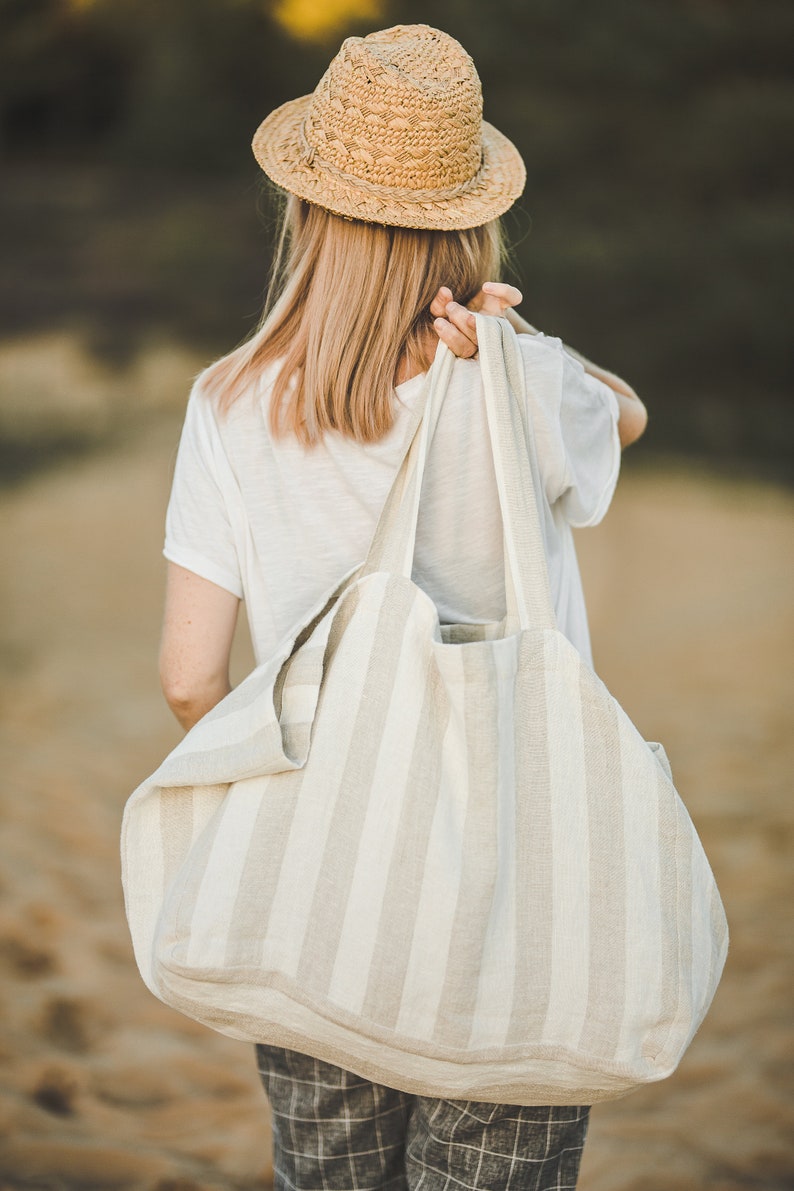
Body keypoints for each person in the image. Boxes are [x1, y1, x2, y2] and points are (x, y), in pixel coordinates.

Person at [157, 23, 647, 1191]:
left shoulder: (226, 403)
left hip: (320, 886)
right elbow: (625, 416)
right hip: (516, 891)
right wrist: (514, 342)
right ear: (468, 218)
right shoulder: (519, 382)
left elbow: (188, 677)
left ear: (309, 211)